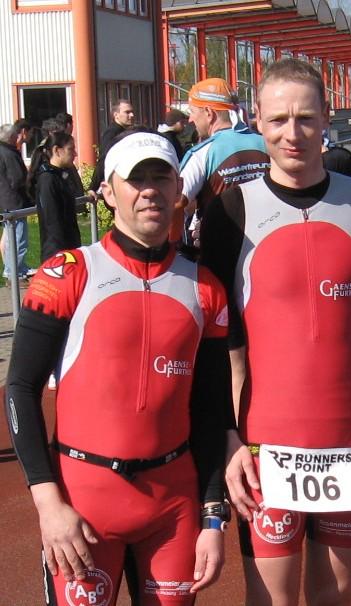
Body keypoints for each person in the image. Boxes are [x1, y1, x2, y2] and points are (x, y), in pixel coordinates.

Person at [200, 58, 351, 605]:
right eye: (279, 119)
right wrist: (228, 436)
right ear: (257, 120)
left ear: (328, 118)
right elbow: (214, 345)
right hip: (265, 441)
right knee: (270, 600)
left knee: (336, 597)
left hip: (350, 438)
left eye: (306, 118)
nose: (293, 133)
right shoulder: (231, 211)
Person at [5, 131, 232, 604]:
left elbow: (212, 409)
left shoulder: (205, 288)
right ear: (108, 193)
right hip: (83, 503)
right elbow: (21, 388)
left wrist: (213, 517)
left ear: (179, 190)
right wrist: (48, 504)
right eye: (135, 179)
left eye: (160, 178)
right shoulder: (65, 274)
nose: (149, 190)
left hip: (172, 507)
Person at [180, 78, 268, 221]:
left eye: (192, 111)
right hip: (269, 231)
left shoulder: (201, 154)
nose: (190, 119)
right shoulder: (267, 143)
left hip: (220, 234)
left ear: (208, 113)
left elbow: (177, 203)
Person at [27, 131, 81, 261]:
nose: (75, 154)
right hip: (57, 252)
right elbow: (52, 221)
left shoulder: (60, 175)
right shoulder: (48, 180)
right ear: (57, 150)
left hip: (69, 247)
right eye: (70, 149)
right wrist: (61, 256)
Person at [0, 123, 33, 280]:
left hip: (5, 201)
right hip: (13, 201)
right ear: (11, 137)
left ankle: (14, 269)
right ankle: (14, 272)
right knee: (18, 238)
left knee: (10, 238)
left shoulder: (4, 151)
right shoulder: (9, 153)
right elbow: (17, 178)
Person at [89, 99, 135, 193]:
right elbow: (104, 159)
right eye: (127, 112)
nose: (132, 115)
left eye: (132, 112)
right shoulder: (112, 133)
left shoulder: (126, 132)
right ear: (116, 115)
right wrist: (93, 187)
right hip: (115, 186)